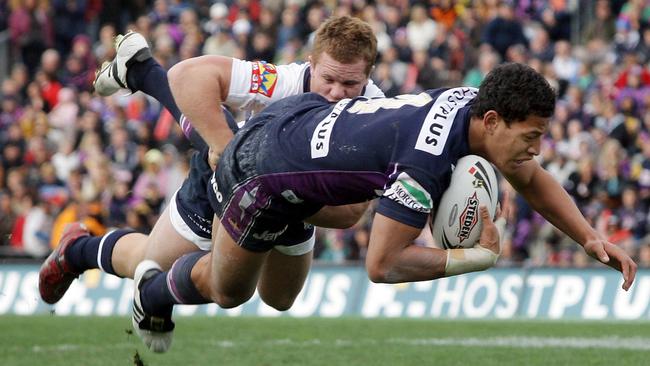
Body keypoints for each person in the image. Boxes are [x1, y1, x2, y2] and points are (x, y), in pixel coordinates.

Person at [130, 63, 637, 352]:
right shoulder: (426, 162)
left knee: (281, 297)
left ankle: (148, 77)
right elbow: (381, 265)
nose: (537, 149)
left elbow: (530, 177)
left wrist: (588, 236)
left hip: (298, 121)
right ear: (492, 120)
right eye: (530, 136)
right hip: (260, 176)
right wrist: (471, 260)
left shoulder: (471, 103)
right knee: (229, 290)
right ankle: (153, 291)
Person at [39, 15, 382, 304]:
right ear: (311, 64)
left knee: (279, 299)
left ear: (369, 75)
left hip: (296, 200)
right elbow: (189, 76)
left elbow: (352, 213)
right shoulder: (284, 81)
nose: (337, 93)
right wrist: (231, 155)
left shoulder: (376, 116)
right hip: (226, 180)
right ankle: (78, 252)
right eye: (329, 79)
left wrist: (279, 187)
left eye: (350, 83)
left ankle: (142, 72)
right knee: (161, 266)